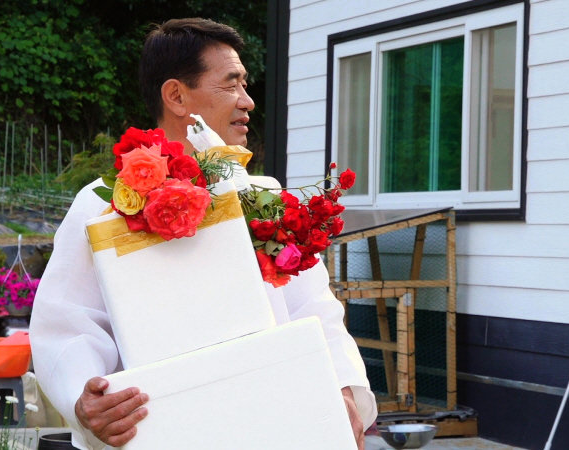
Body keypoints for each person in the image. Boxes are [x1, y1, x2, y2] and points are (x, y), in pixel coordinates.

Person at [30, 18, 376, 450]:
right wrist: (86, 396)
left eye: (245, 84)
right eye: (231, 84)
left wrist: (342, 388)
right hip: (161, 429)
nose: (248, 101)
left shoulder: (265, 198)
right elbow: (68, 323)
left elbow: (314, 308)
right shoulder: (103, 204)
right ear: (176, 95)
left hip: (276, 423)